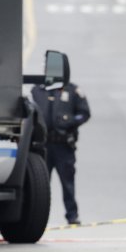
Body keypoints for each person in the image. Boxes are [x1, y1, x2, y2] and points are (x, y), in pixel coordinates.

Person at [31, 79, 91, 226]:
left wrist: (69, 121)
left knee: (68, 183)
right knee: (40, 185)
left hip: (63, 146)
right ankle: (37, 218)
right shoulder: (37, 90)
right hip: (43, 145)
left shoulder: (72, 90)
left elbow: (84, 113)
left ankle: (72, 216)